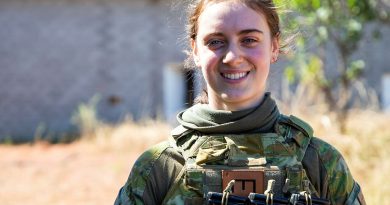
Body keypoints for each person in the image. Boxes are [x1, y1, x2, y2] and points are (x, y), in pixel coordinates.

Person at [114, 0, 366, 204]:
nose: (233, 57)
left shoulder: (319, 162)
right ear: (195, 50)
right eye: (216, 42)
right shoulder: (160, 167)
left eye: (249, 40)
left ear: (274, 47)